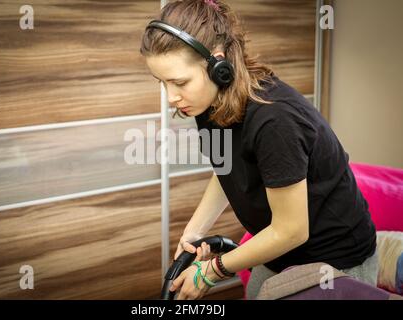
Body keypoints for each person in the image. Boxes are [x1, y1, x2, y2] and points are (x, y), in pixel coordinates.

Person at [140, 0, 377, 300]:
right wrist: (194, 232)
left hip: (335, 262)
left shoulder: (275, 120)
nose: (172, 97)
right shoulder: (205, 103)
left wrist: (212, 270)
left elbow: (292, 230)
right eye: (163, 83)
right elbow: (228, 169)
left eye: (180, 82)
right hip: (280, 254)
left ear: (217, 64)